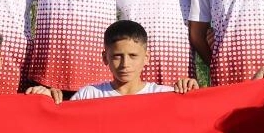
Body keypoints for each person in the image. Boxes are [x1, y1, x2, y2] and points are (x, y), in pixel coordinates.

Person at [65, 20, 198, 100]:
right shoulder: (89, 95)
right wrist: (51, 98)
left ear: (146, 58)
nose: (125, 64)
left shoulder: (165, 95)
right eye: (117, 56)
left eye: (133, 56)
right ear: (105, 58)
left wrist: (191, 91)